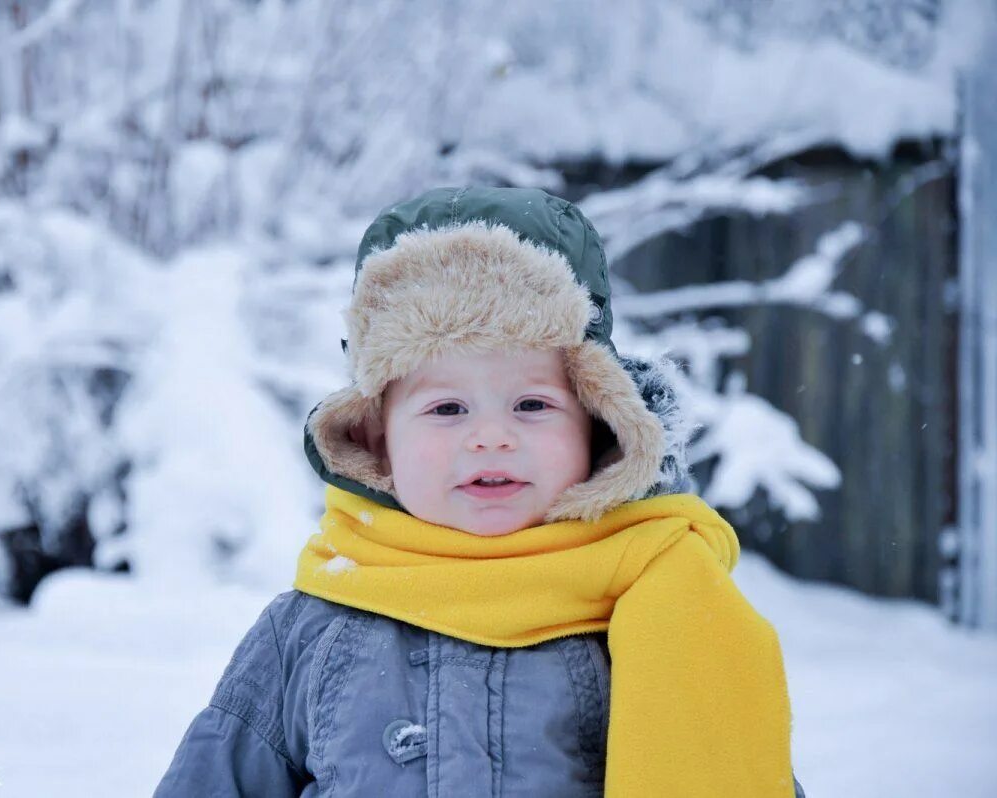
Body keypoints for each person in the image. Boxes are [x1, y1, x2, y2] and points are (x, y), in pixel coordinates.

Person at [153, 186, 804, 797]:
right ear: (379, 437)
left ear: (597, 422)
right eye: (447, 410)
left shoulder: (662, 601)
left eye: (531, 403)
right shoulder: (310, 627)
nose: (491, 438)